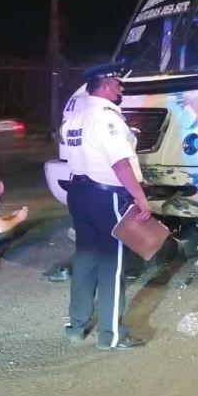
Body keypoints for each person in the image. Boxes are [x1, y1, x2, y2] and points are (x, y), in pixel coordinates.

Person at [61, 64, 152, 350]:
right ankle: (111, 335)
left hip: (78, 192)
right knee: (112, 265)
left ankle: (76, 325)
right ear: (102, 85)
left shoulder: (75, 116)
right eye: (117, 83)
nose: (121, 88)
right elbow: (119, 163)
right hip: (106, 196)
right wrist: (140, 197)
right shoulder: (106, 118)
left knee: (85, 258)